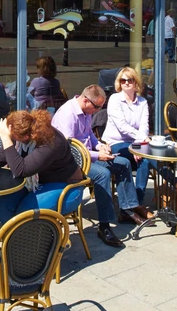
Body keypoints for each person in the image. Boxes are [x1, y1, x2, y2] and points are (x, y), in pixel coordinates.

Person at [51, 85, 142, 248]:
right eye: (97, 107)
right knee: (102, 174)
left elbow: (90, 136)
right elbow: (70, 149)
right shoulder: (67, 115)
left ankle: (127, 209)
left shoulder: (85, 111)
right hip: (70, 162)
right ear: (86, 101)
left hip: (87, 156)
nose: (98, 110)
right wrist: (97, 155)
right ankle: (104, 226)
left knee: (123, 163)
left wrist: (100, 146)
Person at [0, 110, 84, 223]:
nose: (11, 139)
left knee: (25, 214)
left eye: (13, 138)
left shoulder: (51, 142)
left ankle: (35, 237)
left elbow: (21, 170)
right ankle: (13, 236)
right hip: (37, 183)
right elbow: (5, 154)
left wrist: (5, 138)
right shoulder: (23, 134)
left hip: (66, 186)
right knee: (3, 203)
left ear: (26, 137)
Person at [100, 67, 155, 218]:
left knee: (145, 159)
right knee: (148, 155)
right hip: (116, 142)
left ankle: (137, 203)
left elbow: (144, 126)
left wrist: (139, 144)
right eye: (122, 80)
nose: (126, 83)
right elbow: (122, 127)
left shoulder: (142, 102)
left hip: (135, 141)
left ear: (135, 82)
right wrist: (139, 145)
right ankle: (175, 182)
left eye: (129, 80)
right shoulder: (115, 99)